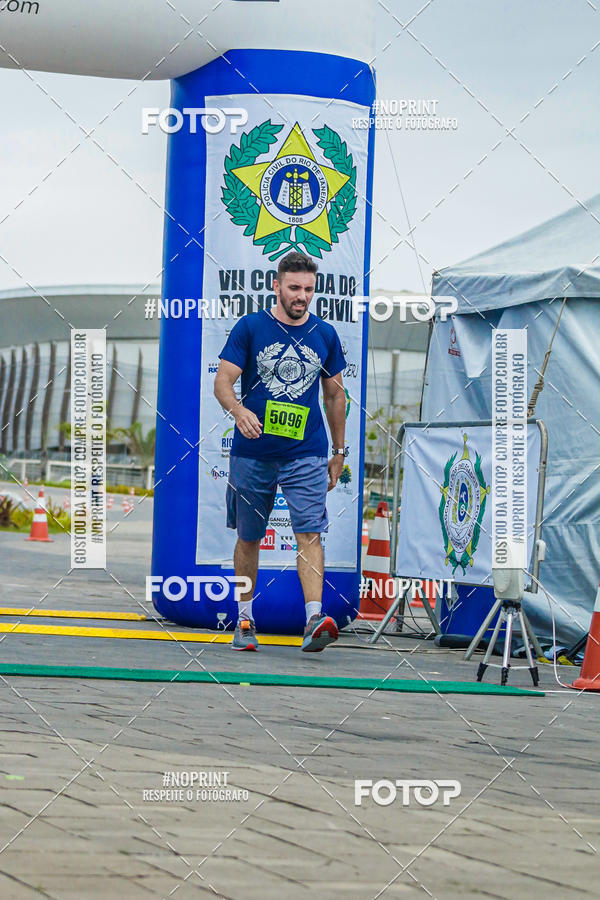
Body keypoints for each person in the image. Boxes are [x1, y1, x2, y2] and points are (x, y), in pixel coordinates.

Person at [214, 251, 348, 652]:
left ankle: (313, 619)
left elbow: (335, 394)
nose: (302, 296)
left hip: (306, 451)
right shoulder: (251, 327)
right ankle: (244, 620)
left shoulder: (324, 334)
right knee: (249, 537)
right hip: (253, 453)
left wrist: (339, 450)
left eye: (308, 289)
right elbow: (222, 381)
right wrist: (238, 411)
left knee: (310, 531)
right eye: (294, 288)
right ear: (276, 286)